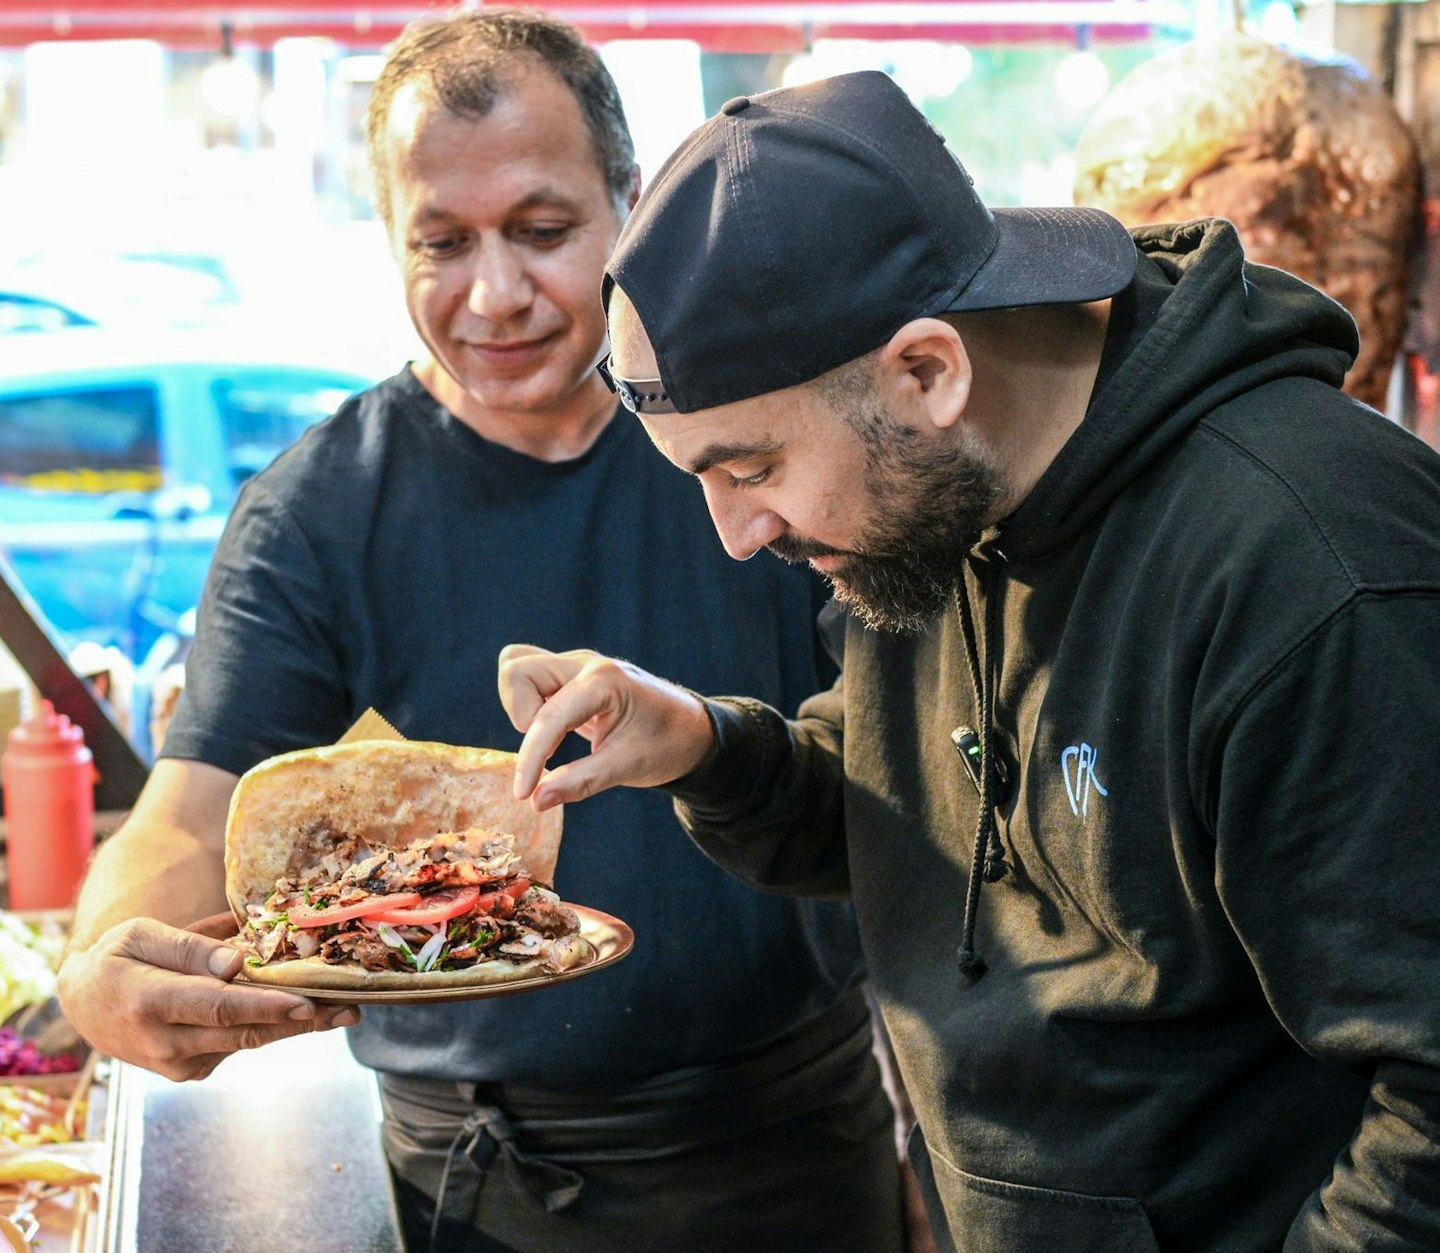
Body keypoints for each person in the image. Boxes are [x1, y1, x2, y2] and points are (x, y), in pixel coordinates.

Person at [499, 68, 1440, 1252]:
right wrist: (702, 745)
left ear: (928, 369)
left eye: (748, 469)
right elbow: (913, 804)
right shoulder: (935, 496)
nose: (737, 536)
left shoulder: (1319, 573)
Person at [57, 12, 904, 1252]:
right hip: (470, 1174)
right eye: (441, 244)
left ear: (628, 200)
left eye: (544, 231)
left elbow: (913, 757)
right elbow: (190, 811)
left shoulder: (759, 437)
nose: (494, 293)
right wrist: (97, 968)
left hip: (783, 1143)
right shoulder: (321, 509)